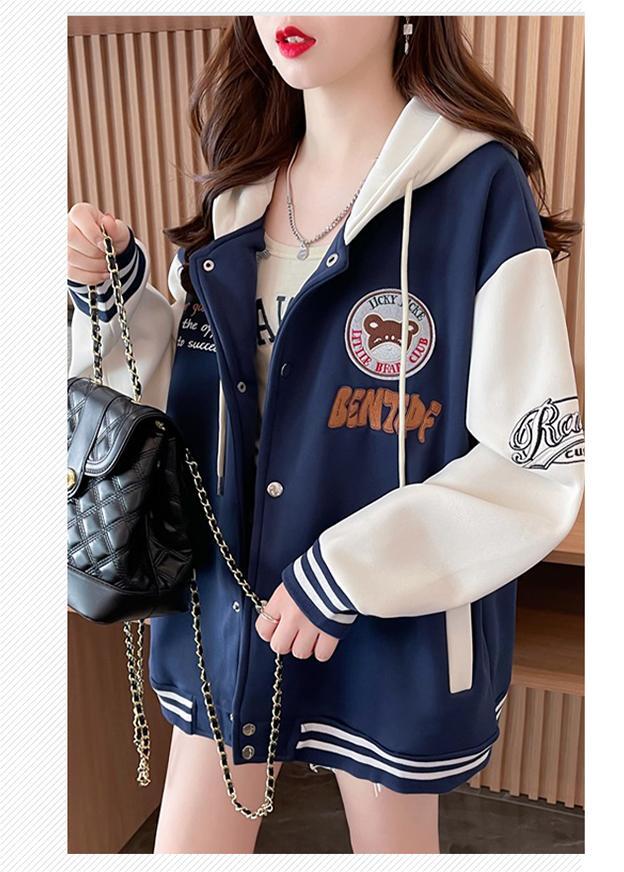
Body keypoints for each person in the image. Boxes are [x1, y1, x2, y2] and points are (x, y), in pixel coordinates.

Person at [67, 16, 585, 854]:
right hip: (232, 606)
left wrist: (349, 570)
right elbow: (193, 407)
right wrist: (118, 297)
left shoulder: (477, 189)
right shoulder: (240, 192)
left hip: (387, 624)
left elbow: (534, 461)